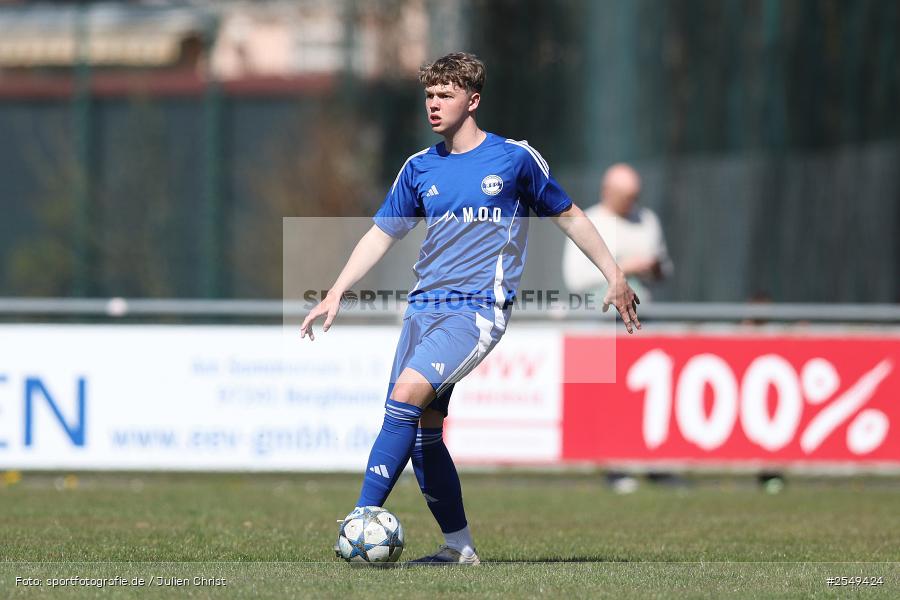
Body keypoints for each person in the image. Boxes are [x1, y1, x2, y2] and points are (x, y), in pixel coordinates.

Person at [300, 52, 640, 565]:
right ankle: (459, 548)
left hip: (476, 312)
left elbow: (569, 215)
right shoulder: (419, 167)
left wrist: (614, 274)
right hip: (422, 311)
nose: (433, 105)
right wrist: (336, 290)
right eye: (429, 96)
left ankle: (360, 518)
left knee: (405, 396)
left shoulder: (514, 159)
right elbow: (381, 234)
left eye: (445, 95)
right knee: (423, 433)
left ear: (473, 100)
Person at [562, 164, 672, 303]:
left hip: (643, 311)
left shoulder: (648, 219)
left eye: (634, 197)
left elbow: (666, 269)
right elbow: (575, 280)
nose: (630, 203)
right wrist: (622, 269)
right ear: (607, 192)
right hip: (599, 313)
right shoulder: (587, 222)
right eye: (625, 197)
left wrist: (654, 268)